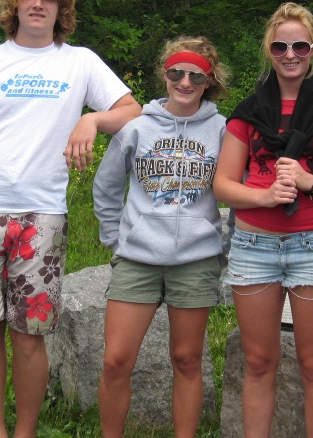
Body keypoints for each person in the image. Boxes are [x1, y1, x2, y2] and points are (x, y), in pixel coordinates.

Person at [0, 0, 141, 438]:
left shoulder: (80, 62)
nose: (38, 4)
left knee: (31, 334)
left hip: (42, 216)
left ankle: (25, 431)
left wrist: (91, 120)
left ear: (62, 9)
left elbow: (131, 111)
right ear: (14, 5)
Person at [213, 2, 313, 437]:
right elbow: (223, 185)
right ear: (269, 50)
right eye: (280, 46)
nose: (290, 54)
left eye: (300, 45)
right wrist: (264, 196)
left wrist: (308, 180)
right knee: (259, 362)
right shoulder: (247, 112)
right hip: (254, 246)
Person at [94, 36, 228, 437]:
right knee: (116, 361)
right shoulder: (136, 128)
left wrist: (226, 244)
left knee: (187, 360)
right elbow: (106, 186)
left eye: (196, 76)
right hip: (137, 259)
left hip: (196, 260)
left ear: (209, 81)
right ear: (165, 74)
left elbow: (239, 190)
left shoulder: (223, 130)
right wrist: (115, 239)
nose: (185, 82)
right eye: (176, 73)